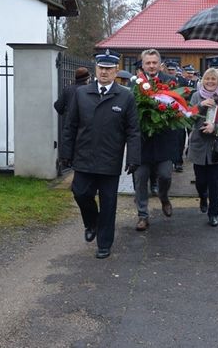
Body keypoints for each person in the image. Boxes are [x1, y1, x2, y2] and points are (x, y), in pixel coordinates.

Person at [60, 49, 141, 259]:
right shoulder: (81, 93)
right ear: (95, 69)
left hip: (110, 158)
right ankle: (91, 222)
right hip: (84, 156)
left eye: (109, 69)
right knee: (80, 193)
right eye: (101, 68)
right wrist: (66, 153)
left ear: (116, 71)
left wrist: (133, 158)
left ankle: (104, 243)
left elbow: (133, 131)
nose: (104, 72)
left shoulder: (125, 96)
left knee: (108, 202)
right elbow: (70, 125)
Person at [132, 49, 177, 231]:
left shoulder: (170, 82)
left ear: (160, 64)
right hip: (142, 141)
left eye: (154, 62)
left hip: (164, 139)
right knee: (140, 179)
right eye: (148, 63)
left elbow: (178, 108)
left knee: (165, 175)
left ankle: (164, 197)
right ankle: (143, 215)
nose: (151, 66)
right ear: (142, 65)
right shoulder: (134, 84)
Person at [187, 68, 218, 227]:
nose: (210, 82)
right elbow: (189, 119)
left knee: (216, 182)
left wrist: (216, 127)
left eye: (214, 79)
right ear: (202, 81)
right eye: (207, 79)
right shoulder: (196, 96)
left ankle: (213, 213)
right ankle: (203, 196)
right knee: (201, 181)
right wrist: (200, 106)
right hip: (200, 145)